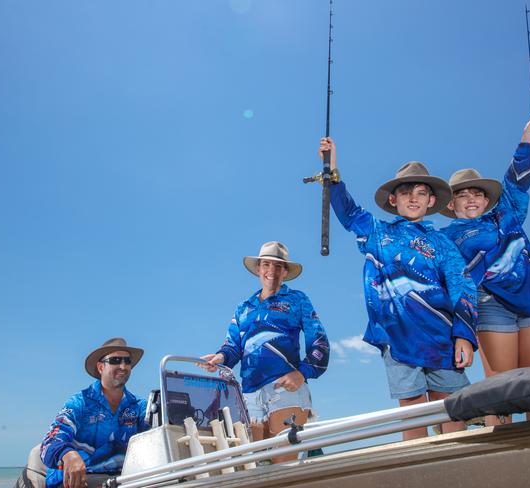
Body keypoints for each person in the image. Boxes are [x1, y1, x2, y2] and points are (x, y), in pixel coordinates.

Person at [320, 138, 477, 440]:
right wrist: (332, 168)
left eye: (421, 193)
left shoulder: (442, 243)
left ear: (432, 201)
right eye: (405, 192)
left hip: (442, 337)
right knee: (413, 413)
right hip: (397, 338)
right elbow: (348, 211)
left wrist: (465, 336)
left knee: (453, 411)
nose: (413, 198)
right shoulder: (376, 232)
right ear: (393, 200)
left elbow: (462, 286)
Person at [439, 115, 530, 425]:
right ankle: (501, 455)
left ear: (487, 199)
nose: (471, 199)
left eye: (476, 193)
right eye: (462, 195)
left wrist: (527, 138)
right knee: (502, 388)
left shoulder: (508, 215)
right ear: (450, 204)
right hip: (491, 307)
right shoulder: (446, 237)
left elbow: (517, 180)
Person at [199, 241, 329, 462]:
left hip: (285, 391)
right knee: (254, 466)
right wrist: (220, 358)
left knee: (285, 465)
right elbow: (233, 346)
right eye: (266, 264)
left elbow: (320, 342)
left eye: (278, 266)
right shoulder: (244, 307)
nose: (271, 271)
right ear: (258, 268)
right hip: (249, 395)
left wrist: (302, 373)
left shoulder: (297, 300)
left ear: (285, 271)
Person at [40, 338, 149, 488]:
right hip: (76, 480)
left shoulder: (139, 406)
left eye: (127, 361)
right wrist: (68, 455)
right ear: (100, 367)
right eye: (115, 360)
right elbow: (50, 441)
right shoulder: (80, 402)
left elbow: (159, 429)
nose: (123, 366)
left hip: (120, 480)